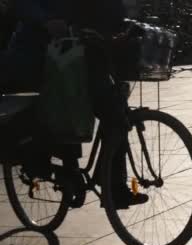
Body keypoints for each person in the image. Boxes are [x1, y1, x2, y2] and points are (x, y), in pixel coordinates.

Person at [0, 0, 147, 208]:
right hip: (43, 52)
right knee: (74, 103)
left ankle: (114, 186)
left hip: (83, 49)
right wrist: (48, 20)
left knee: (115, 111)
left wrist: (126, 25)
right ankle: (72, 169)